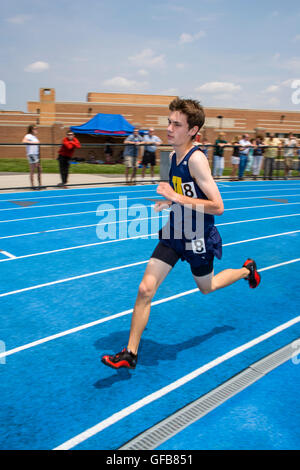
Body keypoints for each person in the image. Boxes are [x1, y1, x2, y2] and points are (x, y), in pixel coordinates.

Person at [101, 97, 261, 370]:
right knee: (145, 289)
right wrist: (168, 202)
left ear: (192, 131)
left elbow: (218, 206)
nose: (169, 128)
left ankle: (247, 270)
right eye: (169, 122)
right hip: (175, 231)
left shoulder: (197, 160)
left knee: (206, 287)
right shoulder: (167, 157)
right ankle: (130, 352)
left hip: (199, 235)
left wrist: (176, 196)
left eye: (177, 124)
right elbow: (172, 192)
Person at [22, 125, 42, 190]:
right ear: (31, 130)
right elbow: (24, 141)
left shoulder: (35, 137)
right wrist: (33, 142)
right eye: (35, 129)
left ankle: (40, 184)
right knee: (33, 170)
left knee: (39, 169)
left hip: (36, 154)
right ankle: (33, 185)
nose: (36, 130)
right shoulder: (28, 135)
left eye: (36, 128)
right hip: (31, 154)